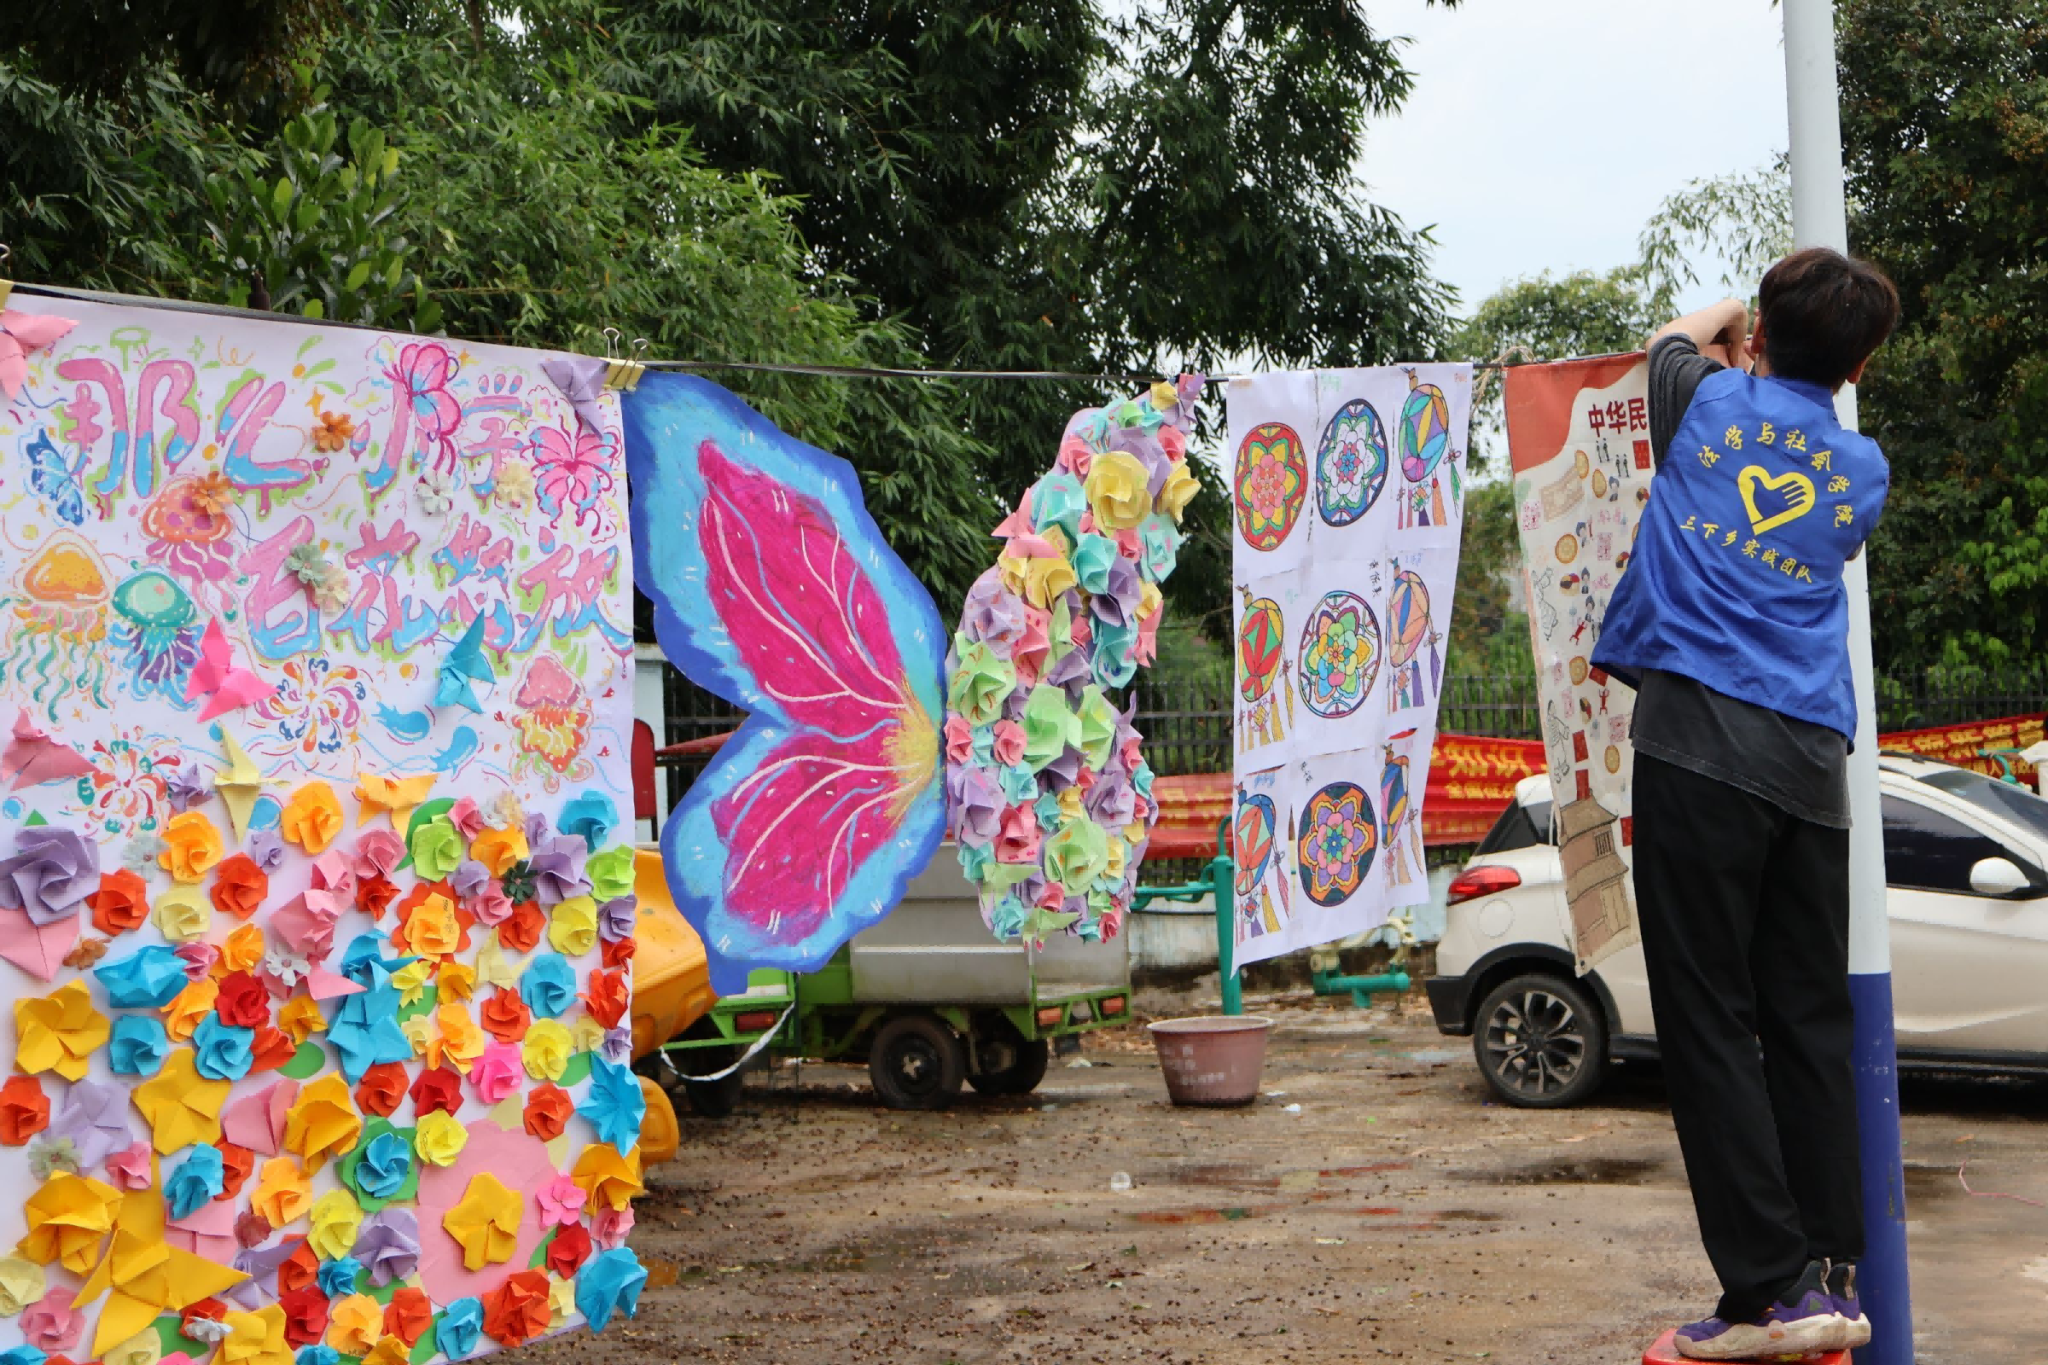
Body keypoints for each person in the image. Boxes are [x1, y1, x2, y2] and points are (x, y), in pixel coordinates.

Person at [1590, 246, 1901, 1361]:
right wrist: (1767, 343)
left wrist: (1733, 326)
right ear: (1860, 366)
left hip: (1701, 746)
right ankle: (1828, 1274)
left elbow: (1669, 340)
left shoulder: (1710, 401)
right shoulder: (1861, 468)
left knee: (1707, 1015)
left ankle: (1765, 1291)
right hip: (1812, 761)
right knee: (1806, 1016)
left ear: (1758, 337)